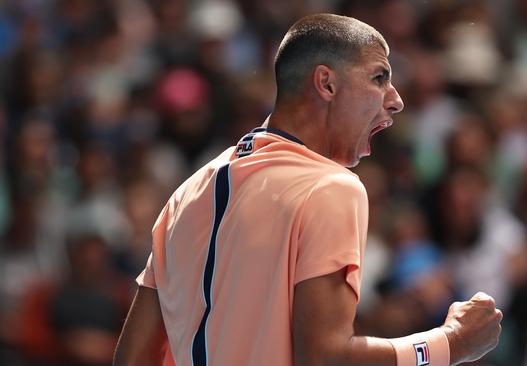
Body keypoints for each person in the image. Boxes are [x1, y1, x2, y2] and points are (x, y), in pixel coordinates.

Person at [113, 14, 502, 366]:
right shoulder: (330, 187)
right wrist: (450, 343)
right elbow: (323, 358)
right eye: (379, 77)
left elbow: (131, 360)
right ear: (326, 83)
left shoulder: (186, 193)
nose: (396, 100)